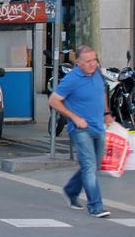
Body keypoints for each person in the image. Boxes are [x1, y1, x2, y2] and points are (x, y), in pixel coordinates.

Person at [48, 44, 113, 218]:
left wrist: (107, 113)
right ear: (78, 62)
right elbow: (54, 101)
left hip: (98, 126)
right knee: (90, 167)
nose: (93, 64)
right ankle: (95, 206)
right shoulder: (71, 79)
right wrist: (74, 118)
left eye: (94, 60)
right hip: (80, 129)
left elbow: (102, 92)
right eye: (88, 61)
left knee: (93, 166)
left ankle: (70, 190)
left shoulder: (97, 72)